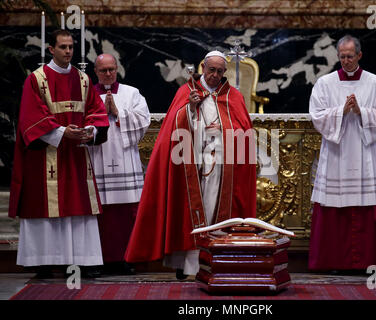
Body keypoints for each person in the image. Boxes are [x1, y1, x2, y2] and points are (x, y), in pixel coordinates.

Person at [125, 50, 256, 279]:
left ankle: (217, 262)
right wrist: (190, 109)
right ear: (203, 67)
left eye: (219, 71)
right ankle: (188, 264)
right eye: (211, 70)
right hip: (191, 165)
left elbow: (244, 131)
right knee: (190, 212)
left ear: (225, 73)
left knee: (217, 212)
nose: (215, 75)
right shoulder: (186, 92)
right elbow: (173, 128)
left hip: (223, 167)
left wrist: (225, 134)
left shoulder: (233, 96)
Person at [8, 29, 109, 278]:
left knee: (78, 206)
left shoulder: (83, 80)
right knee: (45, 206)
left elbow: (97, 111)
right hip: (45, 156)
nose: (68, 51)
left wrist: (90, 131)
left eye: (71, 47)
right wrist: (63, 132)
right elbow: (30, 117)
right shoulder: (36, 79)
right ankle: (44, 262)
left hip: (75, 156)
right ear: (51, 50)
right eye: (63, 47)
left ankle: (82, 261)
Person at [308, 35, 376, 272]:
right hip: (336, 153)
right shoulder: (325, 83)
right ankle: (331, 261)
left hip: (363, 151)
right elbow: (316, 115)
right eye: (342, 56)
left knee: (362, 204)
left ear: (359, 55)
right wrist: (340, 111)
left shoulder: (374, 82)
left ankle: (364, 262)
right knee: (333, 206)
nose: (346, 61)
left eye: (350, 56)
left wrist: (361, 112)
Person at [88, 53, 150, 275]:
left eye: (111, 69)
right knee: (99, 213)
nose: (108, 74)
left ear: (117, 68)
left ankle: (125, 258)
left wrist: (118, 113)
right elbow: (78, 122)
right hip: (97, 159)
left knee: (126, 213)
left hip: (125, 161)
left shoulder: (131, 93)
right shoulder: (86, 93)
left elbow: (144, 119)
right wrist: (99, 120)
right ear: (95, 71)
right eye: (103, 70)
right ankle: (99, 260)